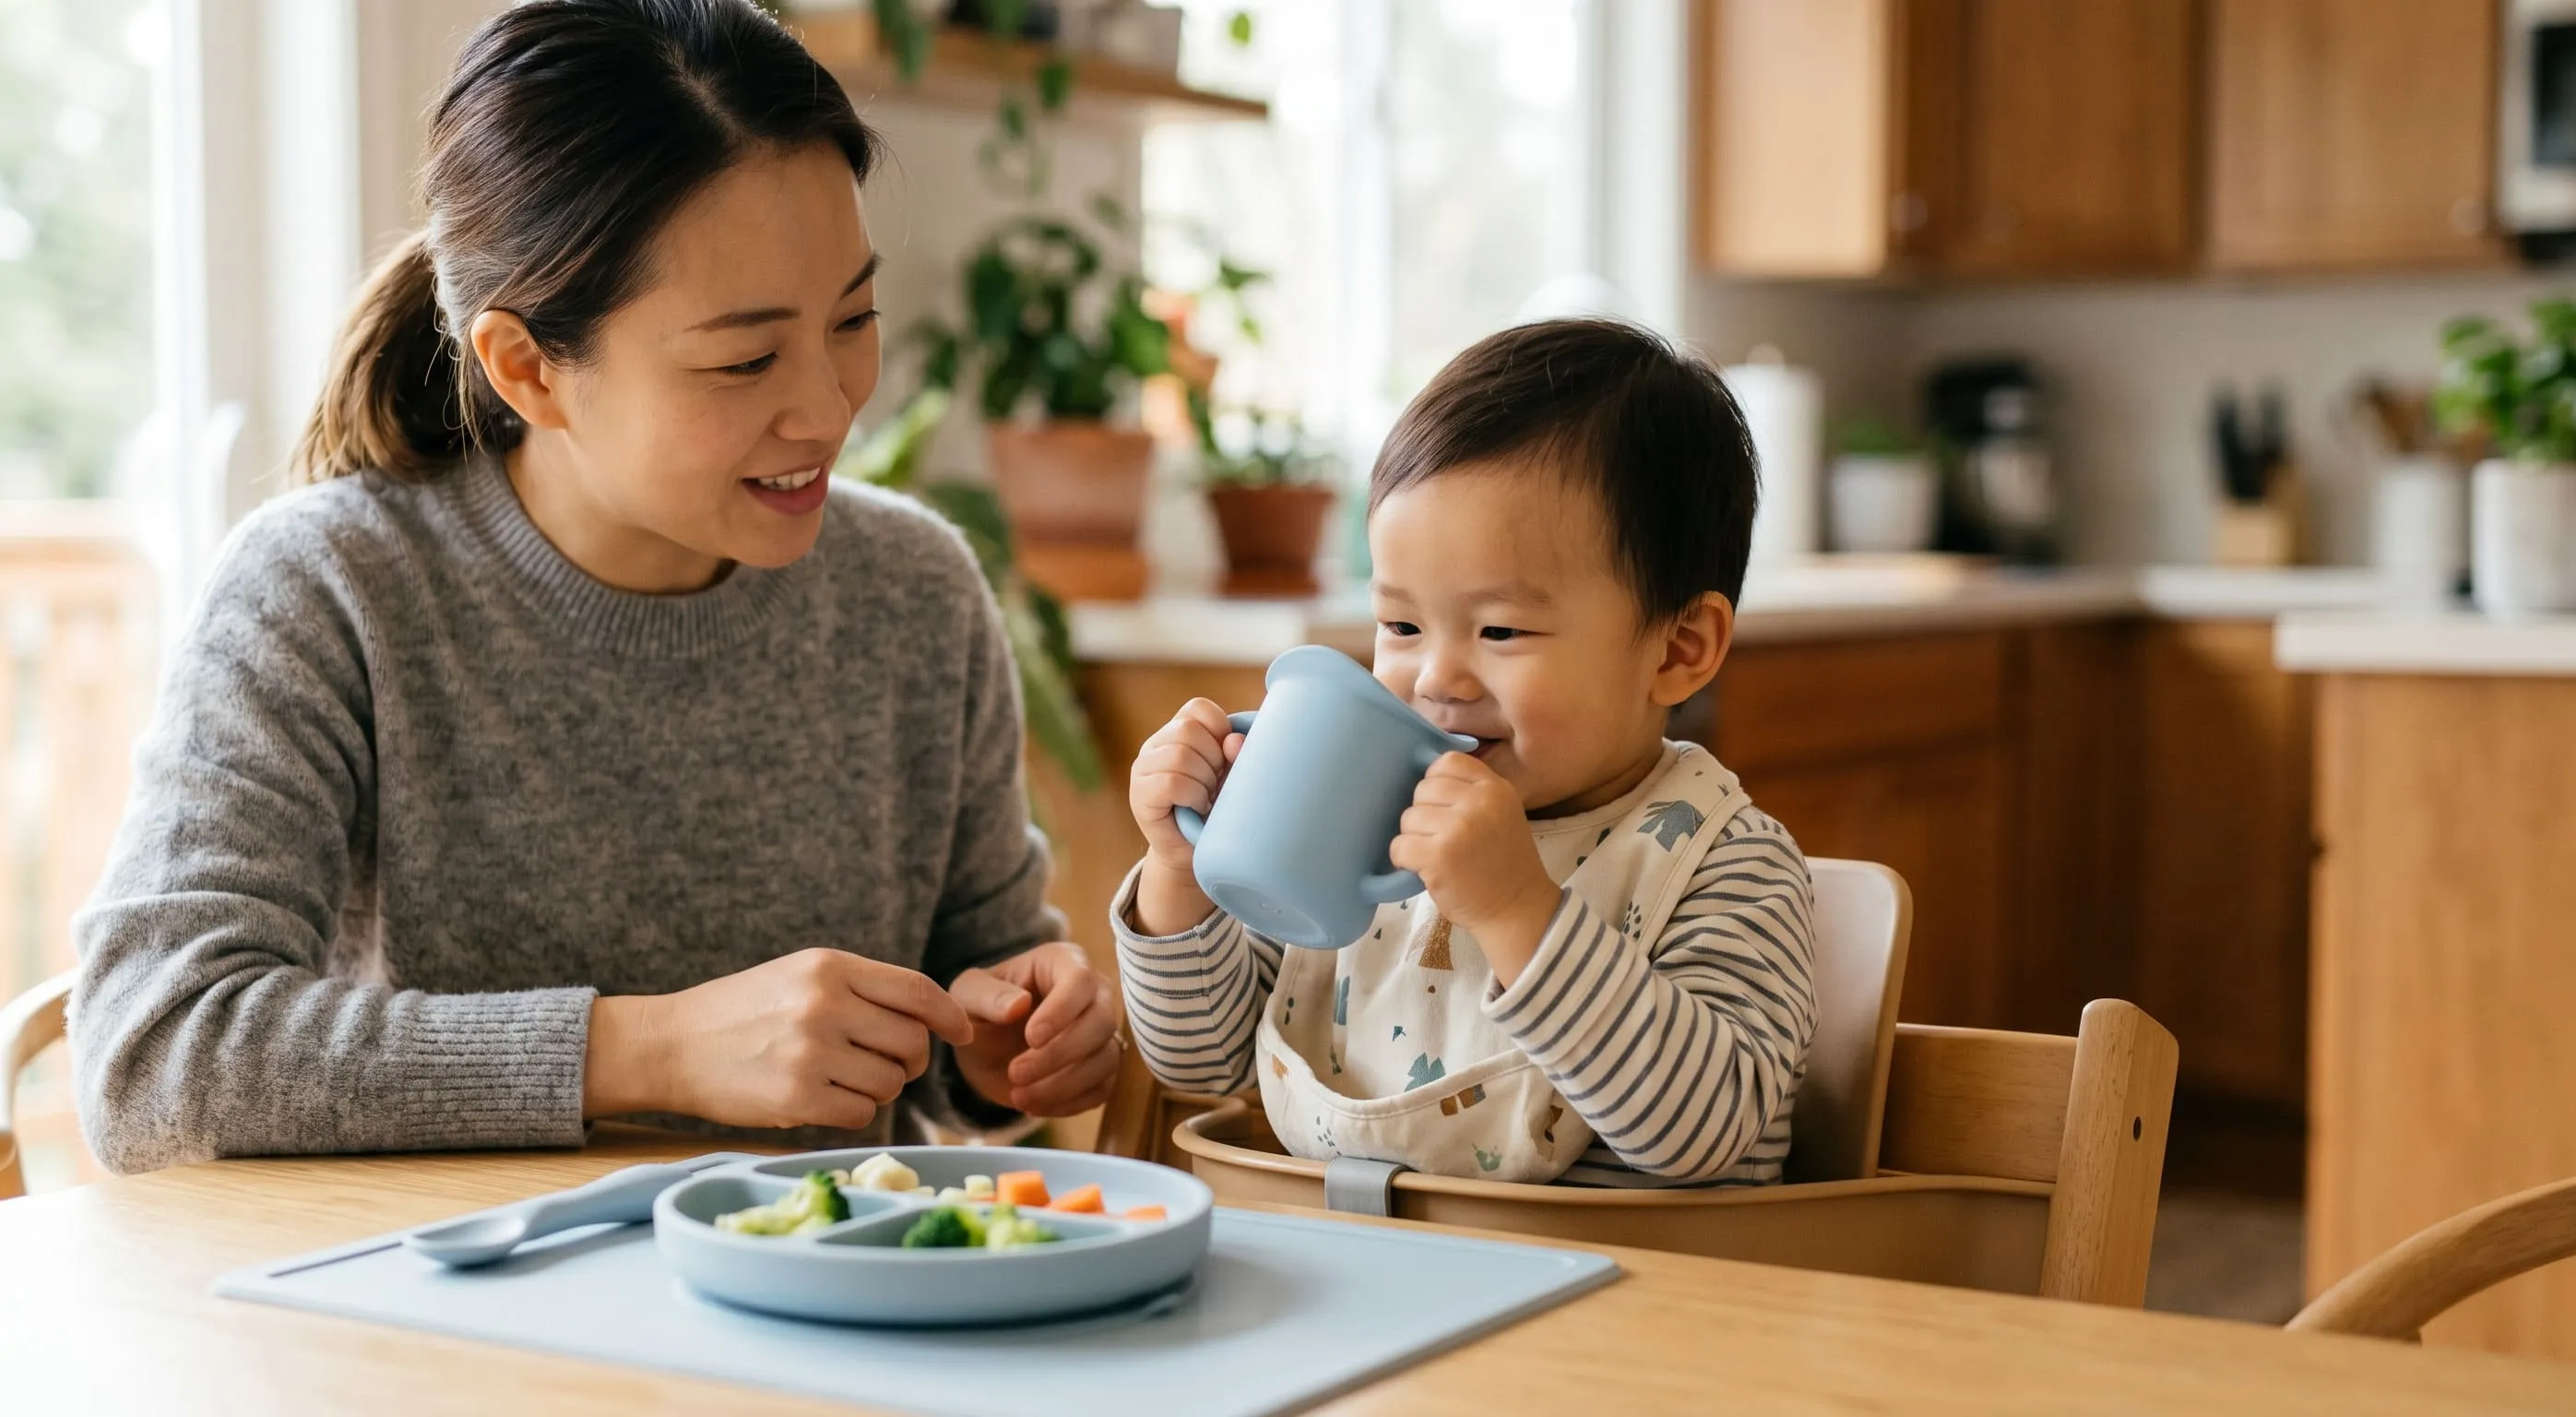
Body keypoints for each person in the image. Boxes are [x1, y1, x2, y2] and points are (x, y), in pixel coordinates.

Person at [70, 0, 1122, 1174]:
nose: (829, 409)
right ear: (528, 369)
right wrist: (648, 1050)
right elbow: (152, 1054)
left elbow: (968, 1029)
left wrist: (1005, 1045)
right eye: (744, 359)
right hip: (429, 1327)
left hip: (815, 1330)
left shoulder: (915, 592)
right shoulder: (328, 591)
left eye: (855, 318)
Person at [1116, 319, 1815, 1186]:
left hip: (1633, 1303)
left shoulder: (1727, 863)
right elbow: (1200, 1061)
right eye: (1401, 625)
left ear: (1677, 649)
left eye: (1501, 629)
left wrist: (1519, 907)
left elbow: (1702, 1133)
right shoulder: (1355, 822)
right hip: (1361, 1288)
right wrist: (1179, 867)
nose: (1436, 677)